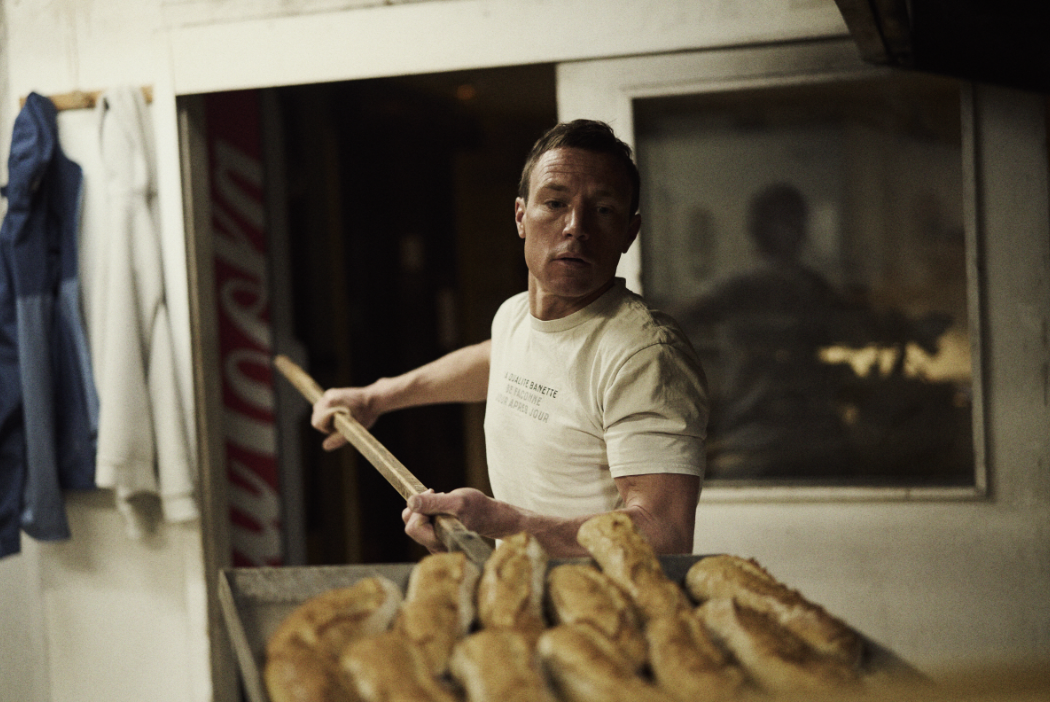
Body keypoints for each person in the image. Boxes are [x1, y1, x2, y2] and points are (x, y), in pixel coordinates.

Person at [312, 119, 708, 557]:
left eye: (603, 210)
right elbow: (496, 360)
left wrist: (508, 525)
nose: (576, 226)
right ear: (521, 216)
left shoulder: (646, 355)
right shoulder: (515, 316)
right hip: (524, 588)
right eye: (555, 202)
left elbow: (664, 531)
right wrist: (375, 397)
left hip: (606, 599)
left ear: (629, 233)